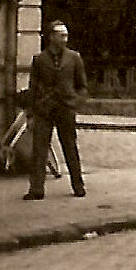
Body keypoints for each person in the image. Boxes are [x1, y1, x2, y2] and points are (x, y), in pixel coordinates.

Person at [24, 21, 87, 200]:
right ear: (51, 37)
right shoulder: (39, 60)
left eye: (66, 35)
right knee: (39, 150)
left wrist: (75, 102)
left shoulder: (74, 58)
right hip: (44, 110)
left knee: (70, 147)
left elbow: (82, 86)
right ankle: (36, 189)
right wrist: (31, 113)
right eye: (61, 35)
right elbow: (33, 88)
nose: (65, 39)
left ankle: (78, 185)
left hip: (66, 109)